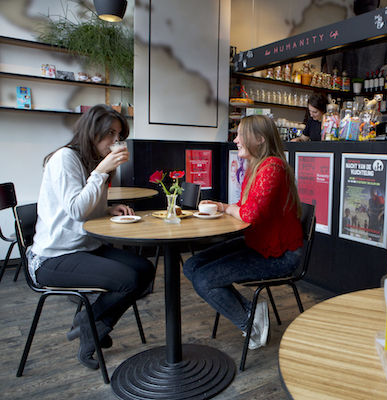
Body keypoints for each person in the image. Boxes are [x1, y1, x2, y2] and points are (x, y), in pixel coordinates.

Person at [27, 104, 155, 370]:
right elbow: (75, 211)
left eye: (118, 135)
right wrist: (100, 173)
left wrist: (108, 208)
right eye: (109, 133)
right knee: (128, 280)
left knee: (144, 269)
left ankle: (92, 325)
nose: (114, 141)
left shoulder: (92, 162)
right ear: (91, 130)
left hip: (85, 247)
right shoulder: (65, 158)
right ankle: (91, 326)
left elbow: (84, 208)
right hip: (53, 257)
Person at [183, 115, 303, 350]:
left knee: (204, 279)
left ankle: (249, 323)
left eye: (240, 135)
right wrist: (228, 208)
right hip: (257, 243)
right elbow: (245, 209)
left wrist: (226, 208)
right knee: (192, 266)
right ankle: (252, 309)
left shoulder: (273, 167)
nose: (235, 139)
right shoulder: (258, 166)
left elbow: (249, 214)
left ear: (259, 139)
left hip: (280, 256)